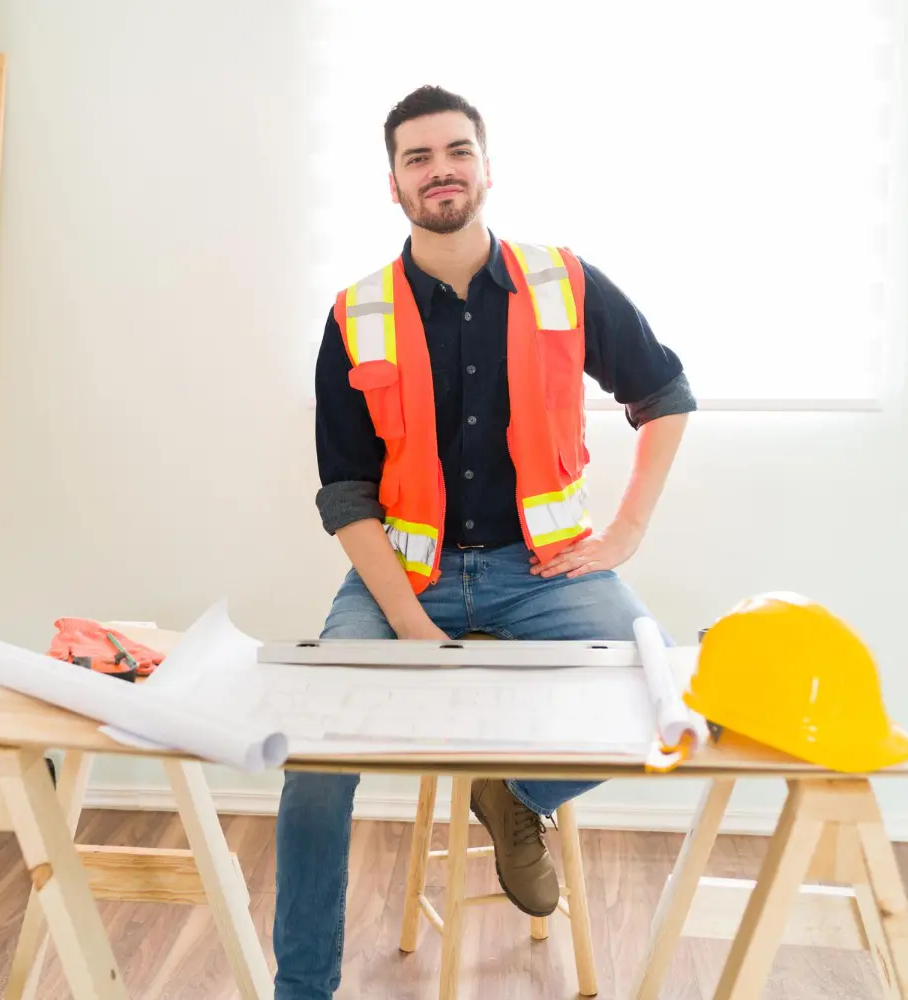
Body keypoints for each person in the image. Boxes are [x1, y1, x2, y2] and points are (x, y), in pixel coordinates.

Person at [273, 84, 696, 1000]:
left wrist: (624, 532)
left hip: (544, 571)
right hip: (404, 577)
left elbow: (664, 395)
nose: (441, 170)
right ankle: (302, 990)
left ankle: (519, 795)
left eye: (456, 151)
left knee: (663, 696)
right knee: (311, 766)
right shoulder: (356, 312)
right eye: (418, 158)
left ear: (487, 168)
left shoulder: (564, 282)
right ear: (393, 184)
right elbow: (345, 495)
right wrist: (410, 628)